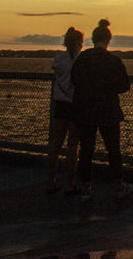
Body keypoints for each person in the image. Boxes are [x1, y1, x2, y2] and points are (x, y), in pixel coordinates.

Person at [72, 19, 133, 201]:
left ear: (92, 39)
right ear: (109, 40)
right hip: (108, 109)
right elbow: (124, 86)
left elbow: (74, 80)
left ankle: (86, 186)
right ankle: (118, 183)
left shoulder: (82, 59)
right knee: (113, 148)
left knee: (86, 149)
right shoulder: (113, 61)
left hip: (86, 109)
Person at [45, 27, 83, 194]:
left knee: (56, 144)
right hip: (75, 105)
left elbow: (57, 71)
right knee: (73, 146)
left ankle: (50, 181)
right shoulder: (79, 61)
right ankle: (69, 184)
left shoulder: (59, 59)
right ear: (77, 43)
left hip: (60, 103)